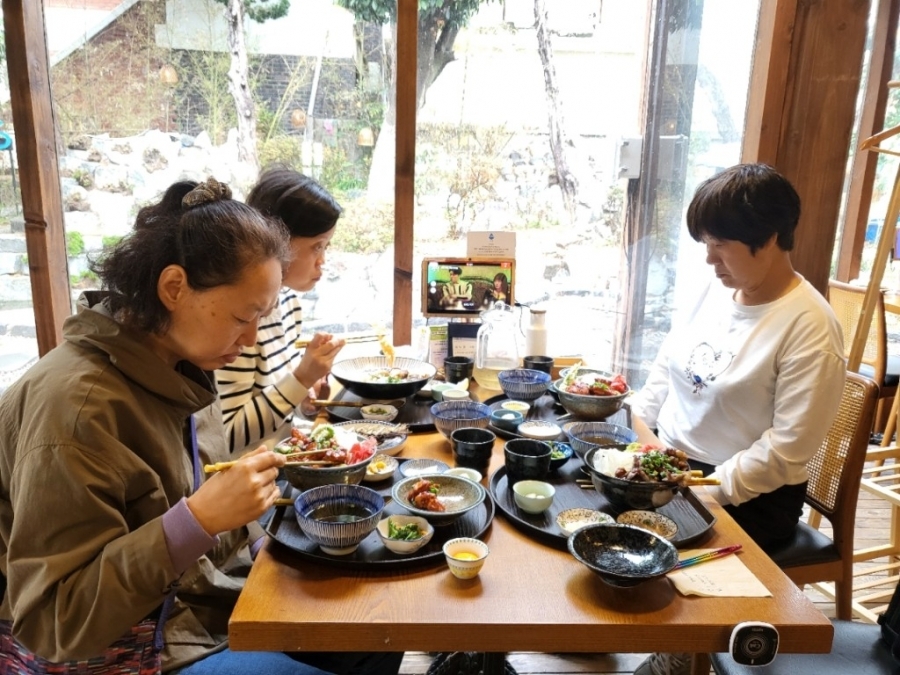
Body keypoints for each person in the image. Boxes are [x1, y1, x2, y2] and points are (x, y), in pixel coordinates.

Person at [0, 178, 402, 675]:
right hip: (133, 651)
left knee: (380, 627)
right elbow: (54, 621)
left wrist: (269, 548)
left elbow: (212, 494)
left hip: (203, 604)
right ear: (174, 288)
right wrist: (196, 521)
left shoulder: (182, 363)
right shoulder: (76, 411)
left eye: (262, 318)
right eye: (242, 317)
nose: (251, 338)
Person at [627, 163, 845, 675]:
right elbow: (666, 367)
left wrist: (703, 493)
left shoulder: (810, 327)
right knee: (580, 505)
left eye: (719, 244)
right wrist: (632, 427)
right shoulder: (716, 290)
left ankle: (678, 654)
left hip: (747, 494)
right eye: (706, 243)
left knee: (646, 542)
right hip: (670, 467)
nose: (709, 258)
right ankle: (600, 628)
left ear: (768, 238)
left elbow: (787, 450)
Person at [217, 167, 346, 453]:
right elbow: (226, 435)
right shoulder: (242, 320)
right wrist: (301, 379)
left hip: (283, 461)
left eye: (326, 246)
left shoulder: (288, 304)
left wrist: (305, 397)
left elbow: (279, 409)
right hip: (249, 475)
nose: (323, 260)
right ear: (278, 242)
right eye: (316, 247)